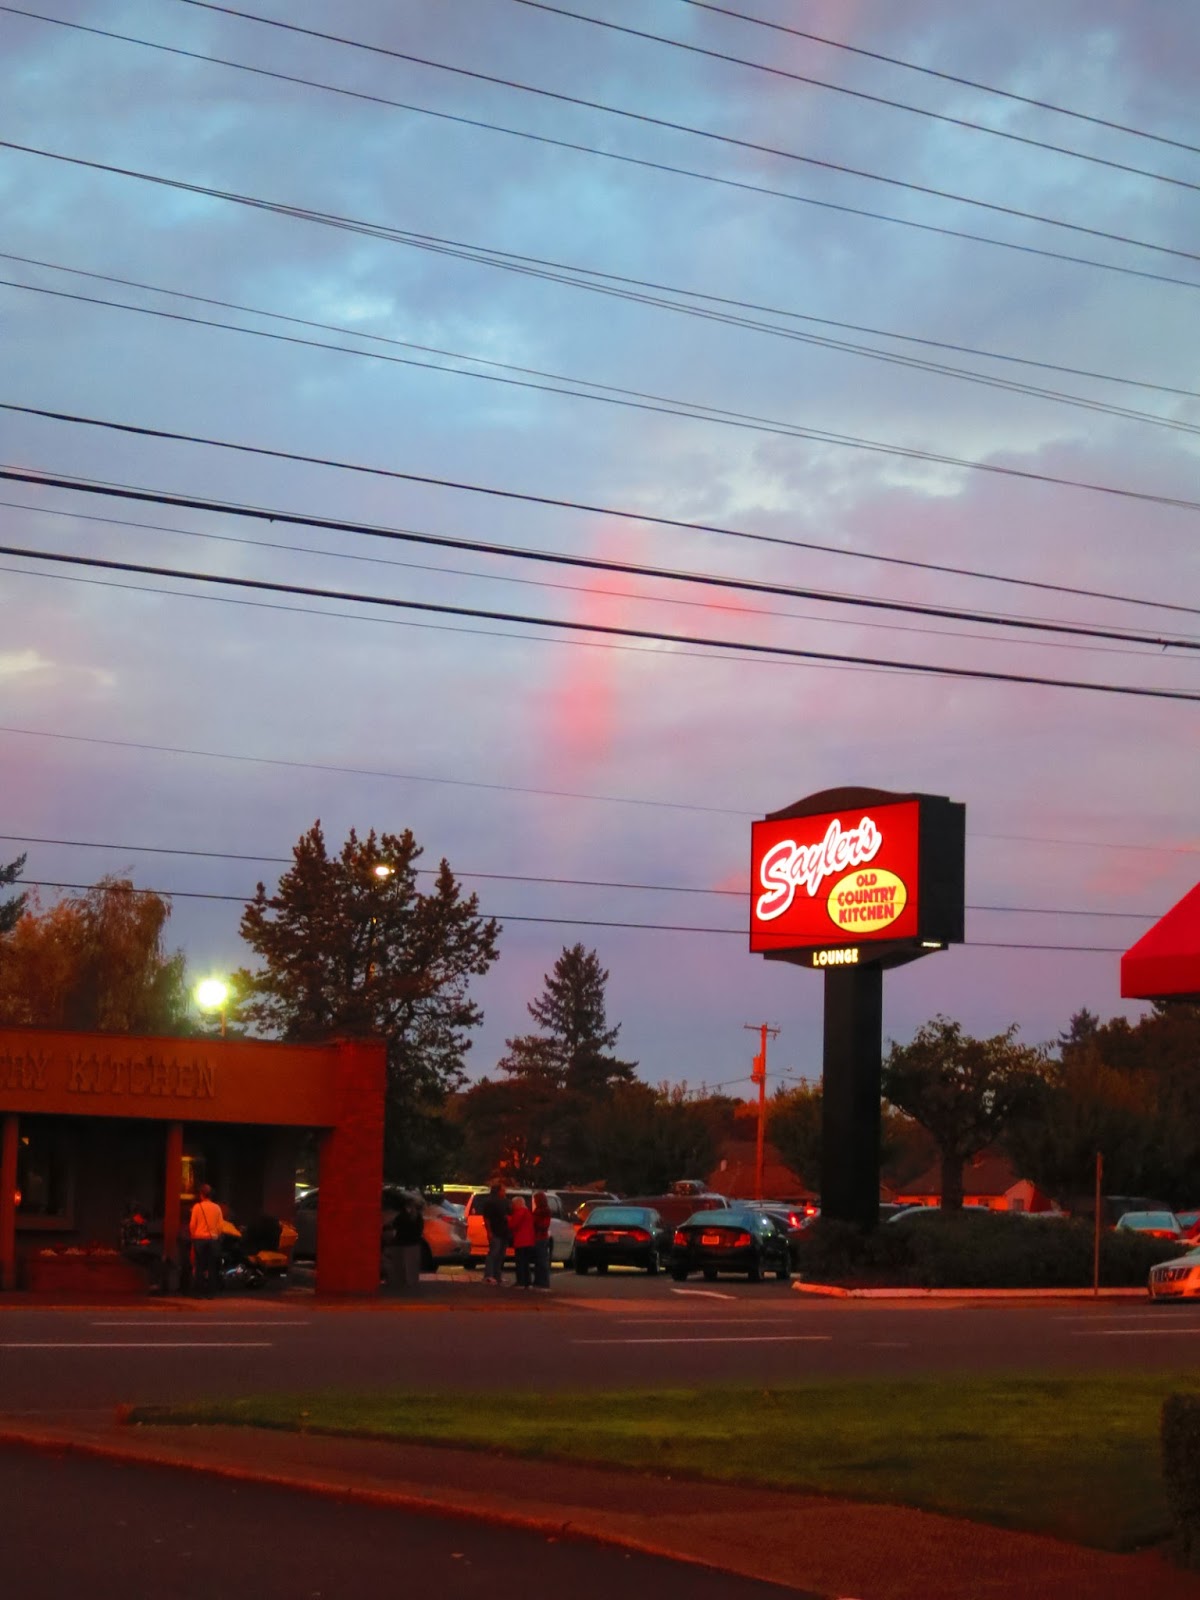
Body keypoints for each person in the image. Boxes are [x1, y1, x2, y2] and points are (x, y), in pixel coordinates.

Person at [189, 1182, 224, 1297]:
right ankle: (211, 1293)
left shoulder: (197, 1207)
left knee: (199, 1266)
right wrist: (216, 1236)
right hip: (213, 1239)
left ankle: (199, 1292)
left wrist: (194, 1235)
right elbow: (220, 1226)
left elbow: (192, 1225)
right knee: (211, 1266)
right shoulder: (217, 1208)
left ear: (202, 1194)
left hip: (199, 1239)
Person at [387, 1192, 425, 1291]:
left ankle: (404, 1282)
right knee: (410, 1264)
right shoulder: (416, 1217)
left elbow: (396, 1225)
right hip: (412, 1243)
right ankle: (409, 1282)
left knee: (404, 1264)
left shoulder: (402, 1216)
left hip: (404, 1242)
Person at [480, 1180, 511, 1285]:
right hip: (496, 1231)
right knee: (494, 1253)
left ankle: (497, 1275)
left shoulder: (505, 1202)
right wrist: (489, 1232)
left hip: (504, 1231)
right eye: (503, 1190)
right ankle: (489, 1275)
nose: (505, 1192)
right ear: (498, 1191)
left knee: (501, 1254)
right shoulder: (490, 1202)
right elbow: (487, 1218)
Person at [509, 1195, 536, 1289]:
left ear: (517, 1204)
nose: (512, 1206)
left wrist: (508, 1219)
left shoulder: (519, 1212)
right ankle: (527, 1282)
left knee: (520, 1262)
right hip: (528, 1240)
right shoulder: (528, 1212)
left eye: (513, 1204)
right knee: (525, 1263)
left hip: (521, 1240)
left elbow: (513, 1224)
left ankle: (521, 1282)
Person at [531, 1191, 553, 1290]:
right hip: (539, 1237)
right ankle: (539, 1280)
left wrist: (535, 1224)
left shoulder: (543, 1211)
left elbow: (544, 1225)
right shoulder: (541, 1210)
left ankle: (543, 1281)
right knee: (539, 1261)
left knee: (541, 1261)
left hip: (540, 1237)